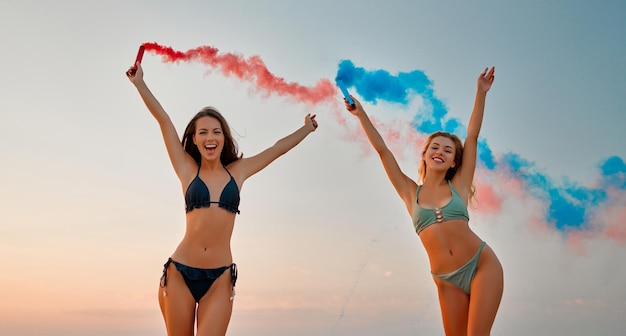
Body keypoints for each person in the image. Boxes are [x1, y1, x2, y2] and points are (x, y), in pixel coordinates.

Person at [126, 61, 318, 336]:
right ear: (193, 140)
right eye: (202, 132)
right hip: (180, 274)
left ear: (224, 138)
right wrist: (140, 83)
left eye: (216, 131)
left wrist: (306, 129)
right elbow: (164, 120)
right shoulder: (186, 169)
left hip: (220, 277)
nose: (210, 137)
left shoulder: (238, 172)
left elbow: (276, 150)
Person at [343, 67, 503, 335]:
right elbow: (383, 152)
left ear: (454, 161)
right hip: (446, 280)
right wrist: (361, 115)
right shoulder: (410, 192)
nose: (440, 152)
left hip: (481, 265)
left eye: (448, 150)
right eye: (435, 147)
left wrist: (481, 93)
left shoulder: (460, 186)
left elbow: (472, 136)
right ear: (426, 154)